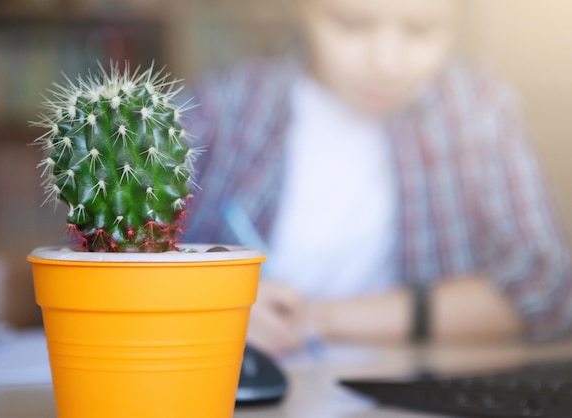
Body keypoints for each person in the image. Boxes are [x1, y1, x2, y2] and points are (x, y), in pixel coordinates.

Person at [182, 0, 572, 356]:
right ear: (300, 9)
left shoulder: (476, 109)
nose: (387, 63)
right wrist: (208, 306)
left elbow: (547, 287)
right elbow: (125, 256)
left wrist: (318, 318)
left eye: (420, 29)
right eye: (352, 25)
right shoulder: (223, 109)